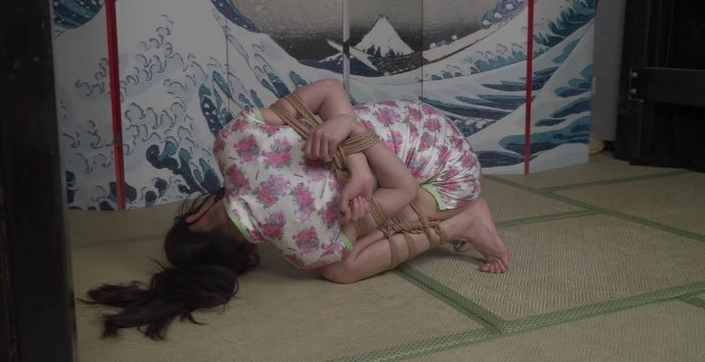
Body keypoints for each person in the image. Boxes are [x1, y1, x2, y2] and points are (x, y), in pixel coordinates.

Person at [85, 79, 510, 339]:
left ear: (246, 256)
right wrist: (348, 130)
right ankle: (454, 214)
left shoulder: (307, 246)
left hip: (450, 177)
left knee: (339, 267)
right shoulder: (232, 143)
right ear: (196, 216)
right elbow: (329, 90)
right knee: (342, 244)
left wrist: (357, 163)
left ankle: (463, 221)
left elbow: (404, 188)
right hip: (416, 117)